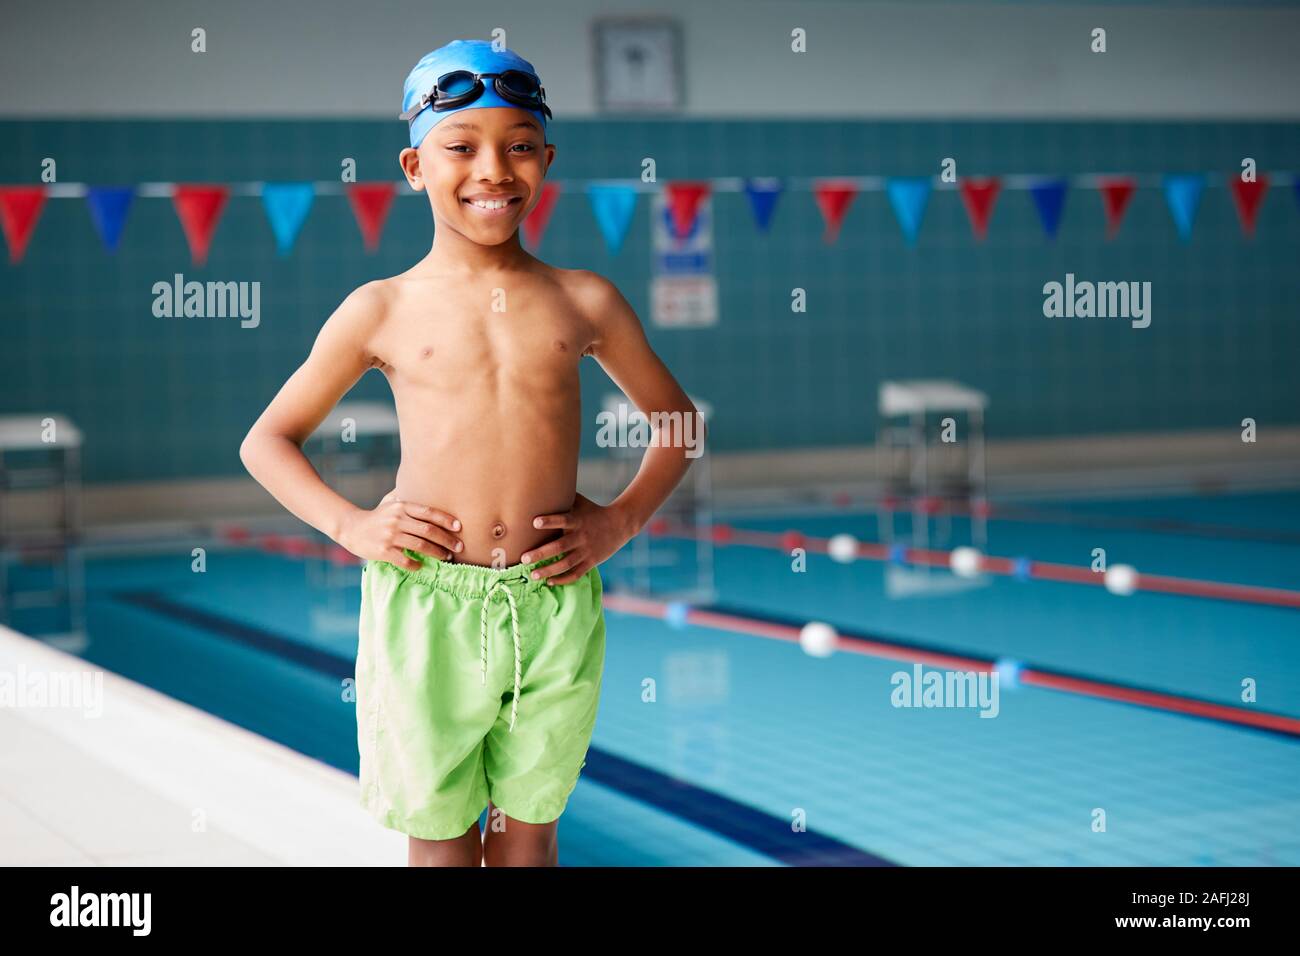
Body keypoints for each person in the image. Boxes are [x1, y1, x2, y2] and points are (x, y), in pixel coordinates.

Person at [238, 38, 703, 866]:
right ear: (415, 166)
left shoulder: (583, 298)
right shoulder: (379, 309)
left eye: (519, 146)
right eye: (463, 147)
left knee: (530, 835)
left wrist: (621, 521)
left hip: (552, 602)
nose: (494, 169)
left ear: (546, 161)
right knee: (442, 838)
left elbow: (678, 421)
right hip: (427, 603)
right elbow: (265, 441)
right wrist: (352, 527)